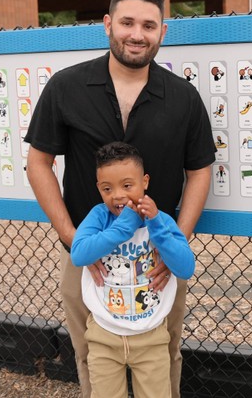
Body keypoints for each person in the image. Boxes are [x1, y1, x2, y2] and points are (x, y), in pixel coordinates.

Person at [25, 0, 216, 398]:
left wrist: (176, 245)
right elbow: (38, 163)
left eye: (149, 26)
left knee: (164, 355)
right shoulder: (66, 86)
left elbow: (200, 170)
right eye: (127, 22)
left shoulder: (183, 98)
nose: (137, 34)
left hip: (158, 261)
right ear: (108, 24)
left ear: (162, 33)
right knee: (91, 354)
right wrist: (73, 238)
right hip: (86, 254)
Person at [71, 142, 195, 398]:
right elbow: (79, 254)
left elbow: (185, 268)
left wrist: (157, 226)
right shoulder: (99, 217)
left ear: (145, 182)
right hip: (104, 335)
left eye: (127, 186)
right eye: (107, 188)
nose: (117, 195)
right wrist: (122, 229)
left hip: (151, 336)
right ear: (99, 188)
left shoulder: (160, 220)